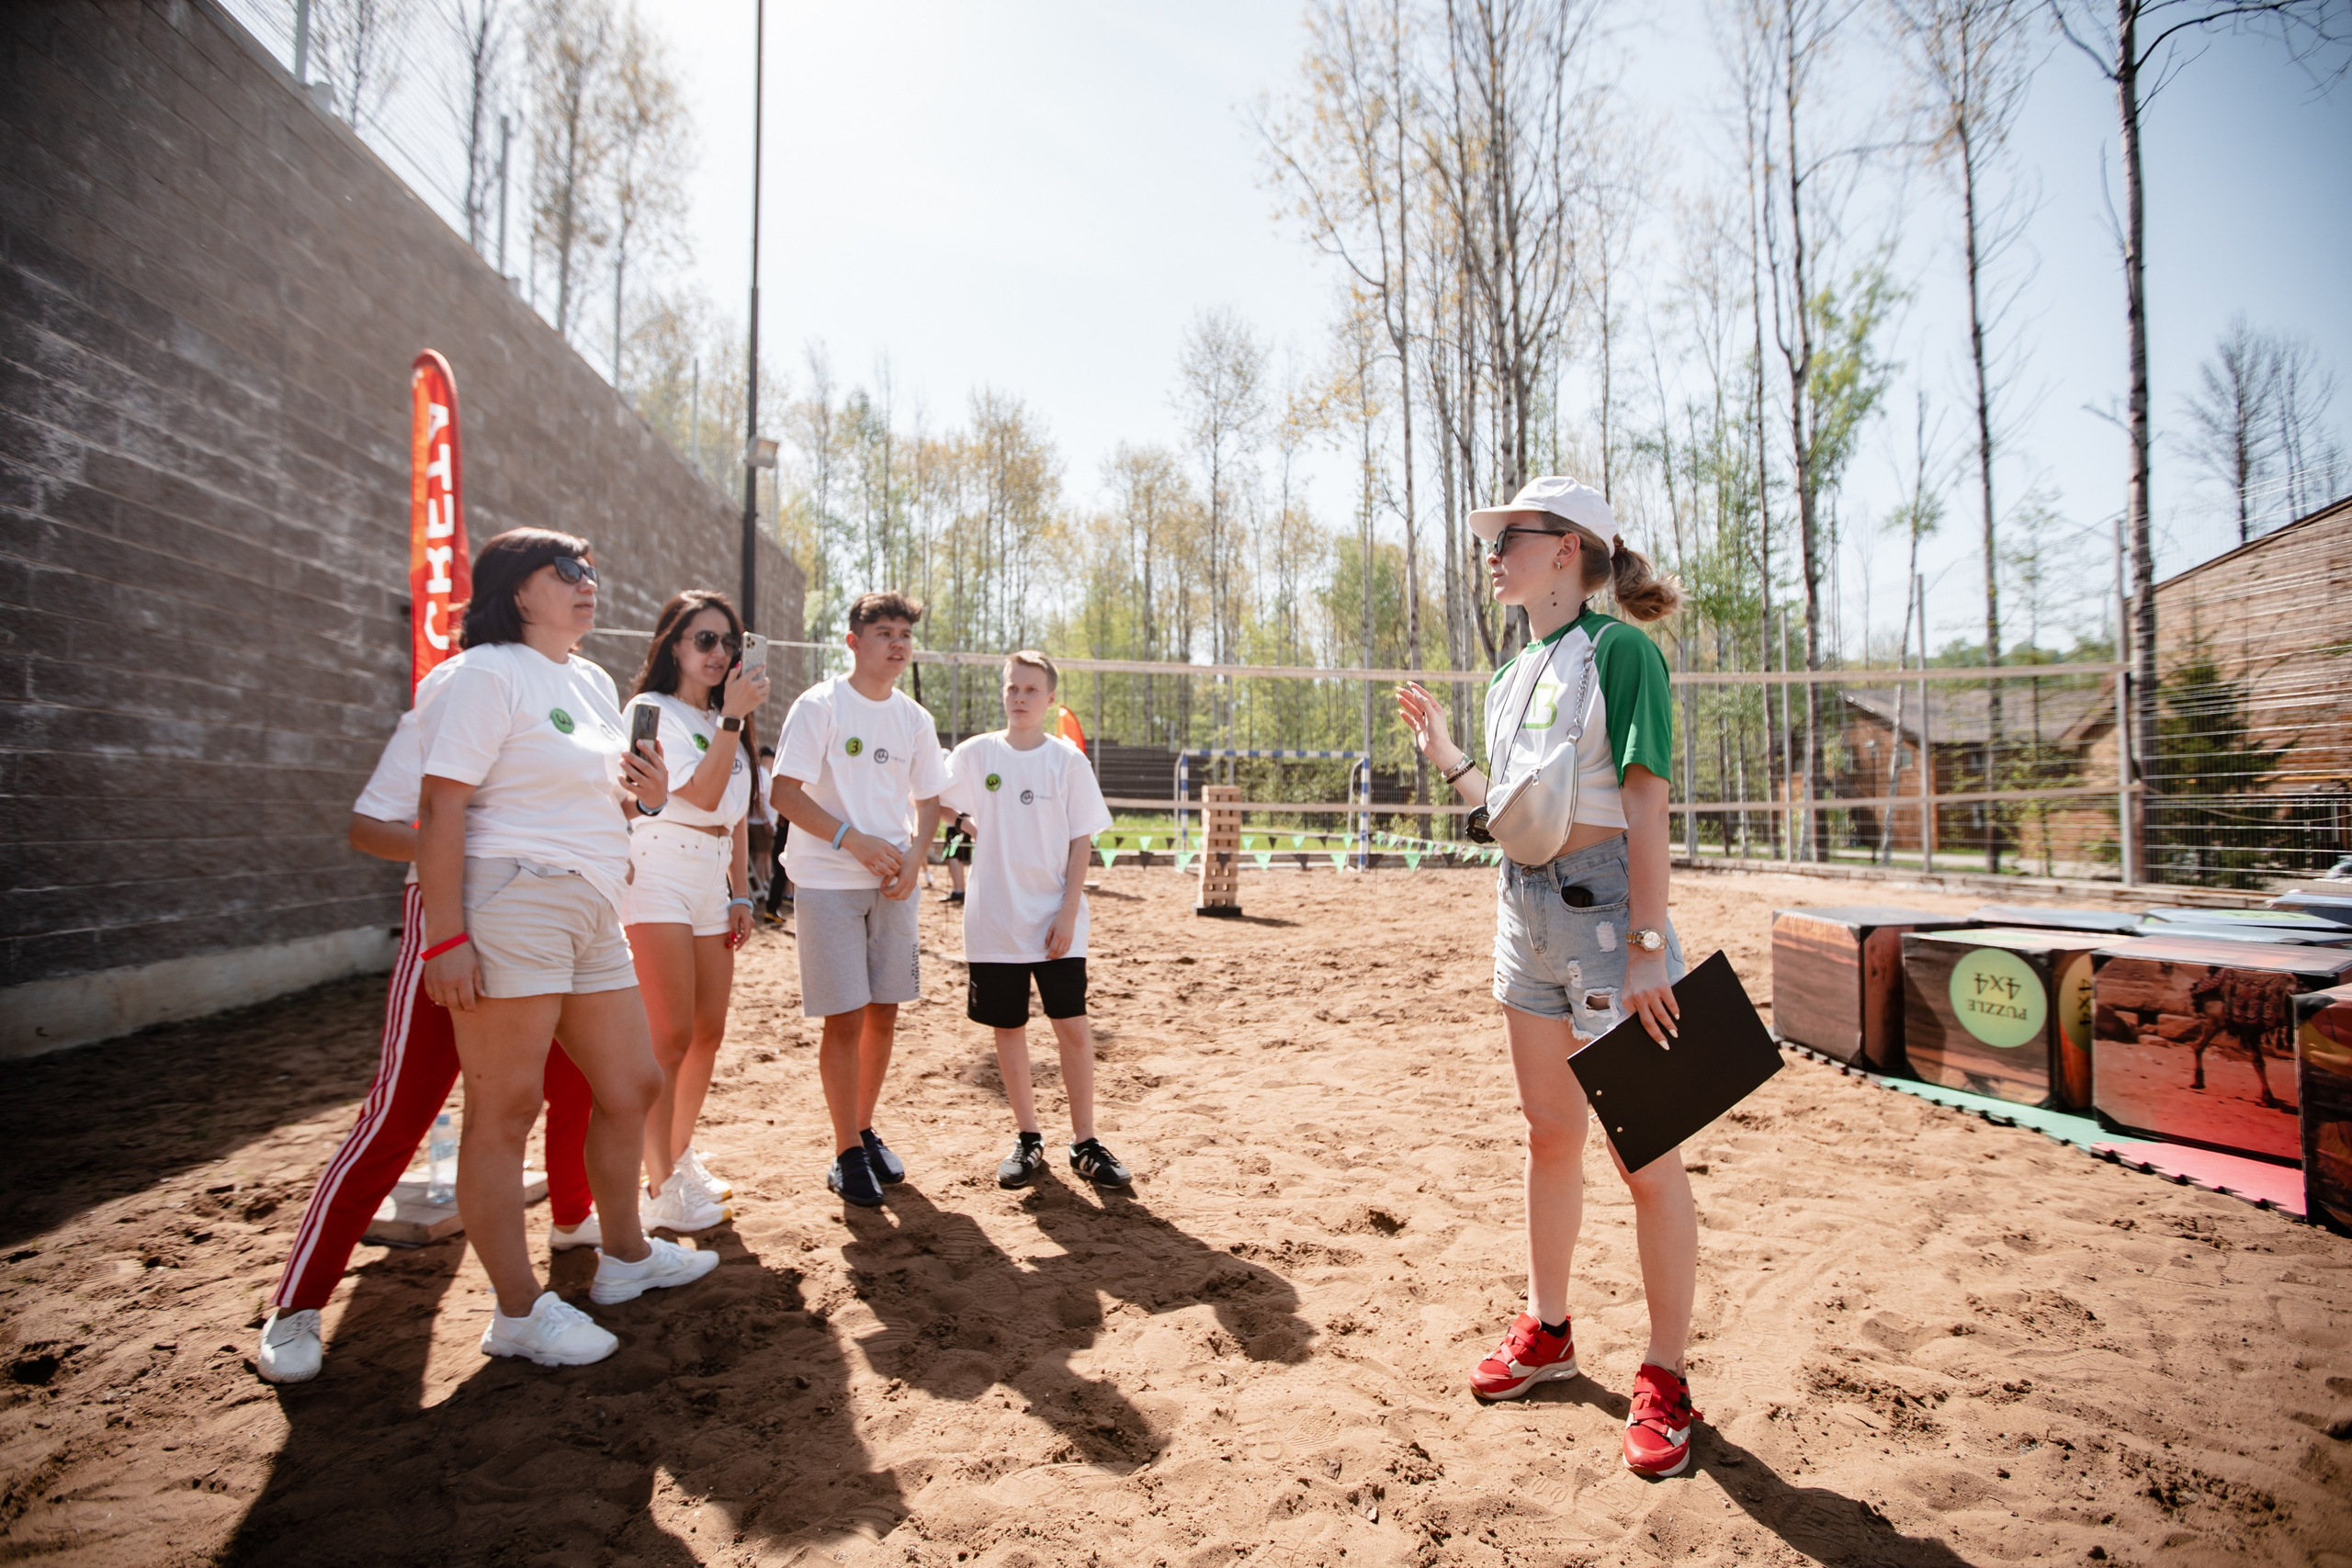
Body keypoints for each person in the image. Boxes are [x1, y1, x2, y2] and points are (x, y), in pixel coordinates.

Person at [1395, 475, 1697, 1478]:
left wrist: (1652, 941)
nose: (1491, 550)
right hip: (1522, 912)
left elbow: (1645, 804)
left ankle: (1663, 1375)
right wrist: (1444, 754)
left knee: (1643, 1158)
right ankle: (1550, 1332)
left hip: (1612, 919)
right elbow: (1508, 814)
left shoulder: (1622, 652)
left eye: (1508, 536)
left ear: (1567, 549)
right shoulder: (1507, 671)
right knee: (1548, 1132)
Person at [415, 528, 718, 1367]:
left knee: (630, 1081)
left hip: (593, 899)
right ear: (518, 592)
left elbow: (604, 800)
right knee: (506, 1107)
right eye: (567, 571)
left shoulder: (587, 681)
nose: (588, 581)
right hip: (514, 895)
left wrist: (645, 799)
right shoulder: (485, 673)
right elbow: (440, 810)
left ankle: (623, 1257)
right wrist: (446, 937)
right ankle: (518, 1311)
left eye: (589, 566)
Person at [255, 654, 599, 1384]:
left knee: (571, 1085)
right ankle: (297, 1304)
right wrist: (464, 856)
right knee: (400, 1114)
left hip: (545, 922)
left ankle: (573, 1222)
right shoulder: (447, 700)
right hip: (456, 923)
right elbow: (369, 825)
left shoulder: (560, 700)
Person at [769, 592, 946, 1207]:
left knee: (884, 1012)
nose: (897, 643)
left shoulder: (914, 718)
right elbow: (784, 793)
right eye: (883, 632)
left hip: (892, 884)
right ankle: (845, 1150)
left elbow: (929, 800)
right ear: (853, 641)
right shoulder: (820, 705)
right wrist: (851, 839)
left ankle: (864, 1129)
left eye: (904, 634)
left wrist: (916, 859)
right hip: (827, 882)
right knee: (843, 1017)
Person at [941, 651, 1127, 1190]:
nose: (1019, 698)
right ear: (1003, 694)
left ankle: (1085, 1142)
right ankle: (1028, 1138)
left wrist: (1068, 911)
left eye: (1030, 690)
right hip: (994, 920)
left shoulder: (1067, 761)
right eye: (1011, 688)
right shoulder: (975, 754)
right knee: (1009, 1028)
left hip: (1055, 919)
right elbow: (927, 796)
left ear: (1049, 699)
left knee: (1071, 1025)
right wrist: (965, 822)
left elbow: (1080, 841)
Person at [621, 590, 768, 1234]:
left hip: (711, 878)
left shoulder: (722, 721)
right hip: (658, 868)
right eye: (704, 639)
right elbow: (700, 792)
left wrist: (740, 892)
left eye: (728, 643)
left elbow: (733, 813)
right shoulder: (650, 711)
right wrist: (733, 720)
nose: (718, 653)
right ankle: (657, 1182)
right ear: (674, 644)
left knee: (708, 1029)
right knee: (669, 1036)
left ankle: (678, 1154)